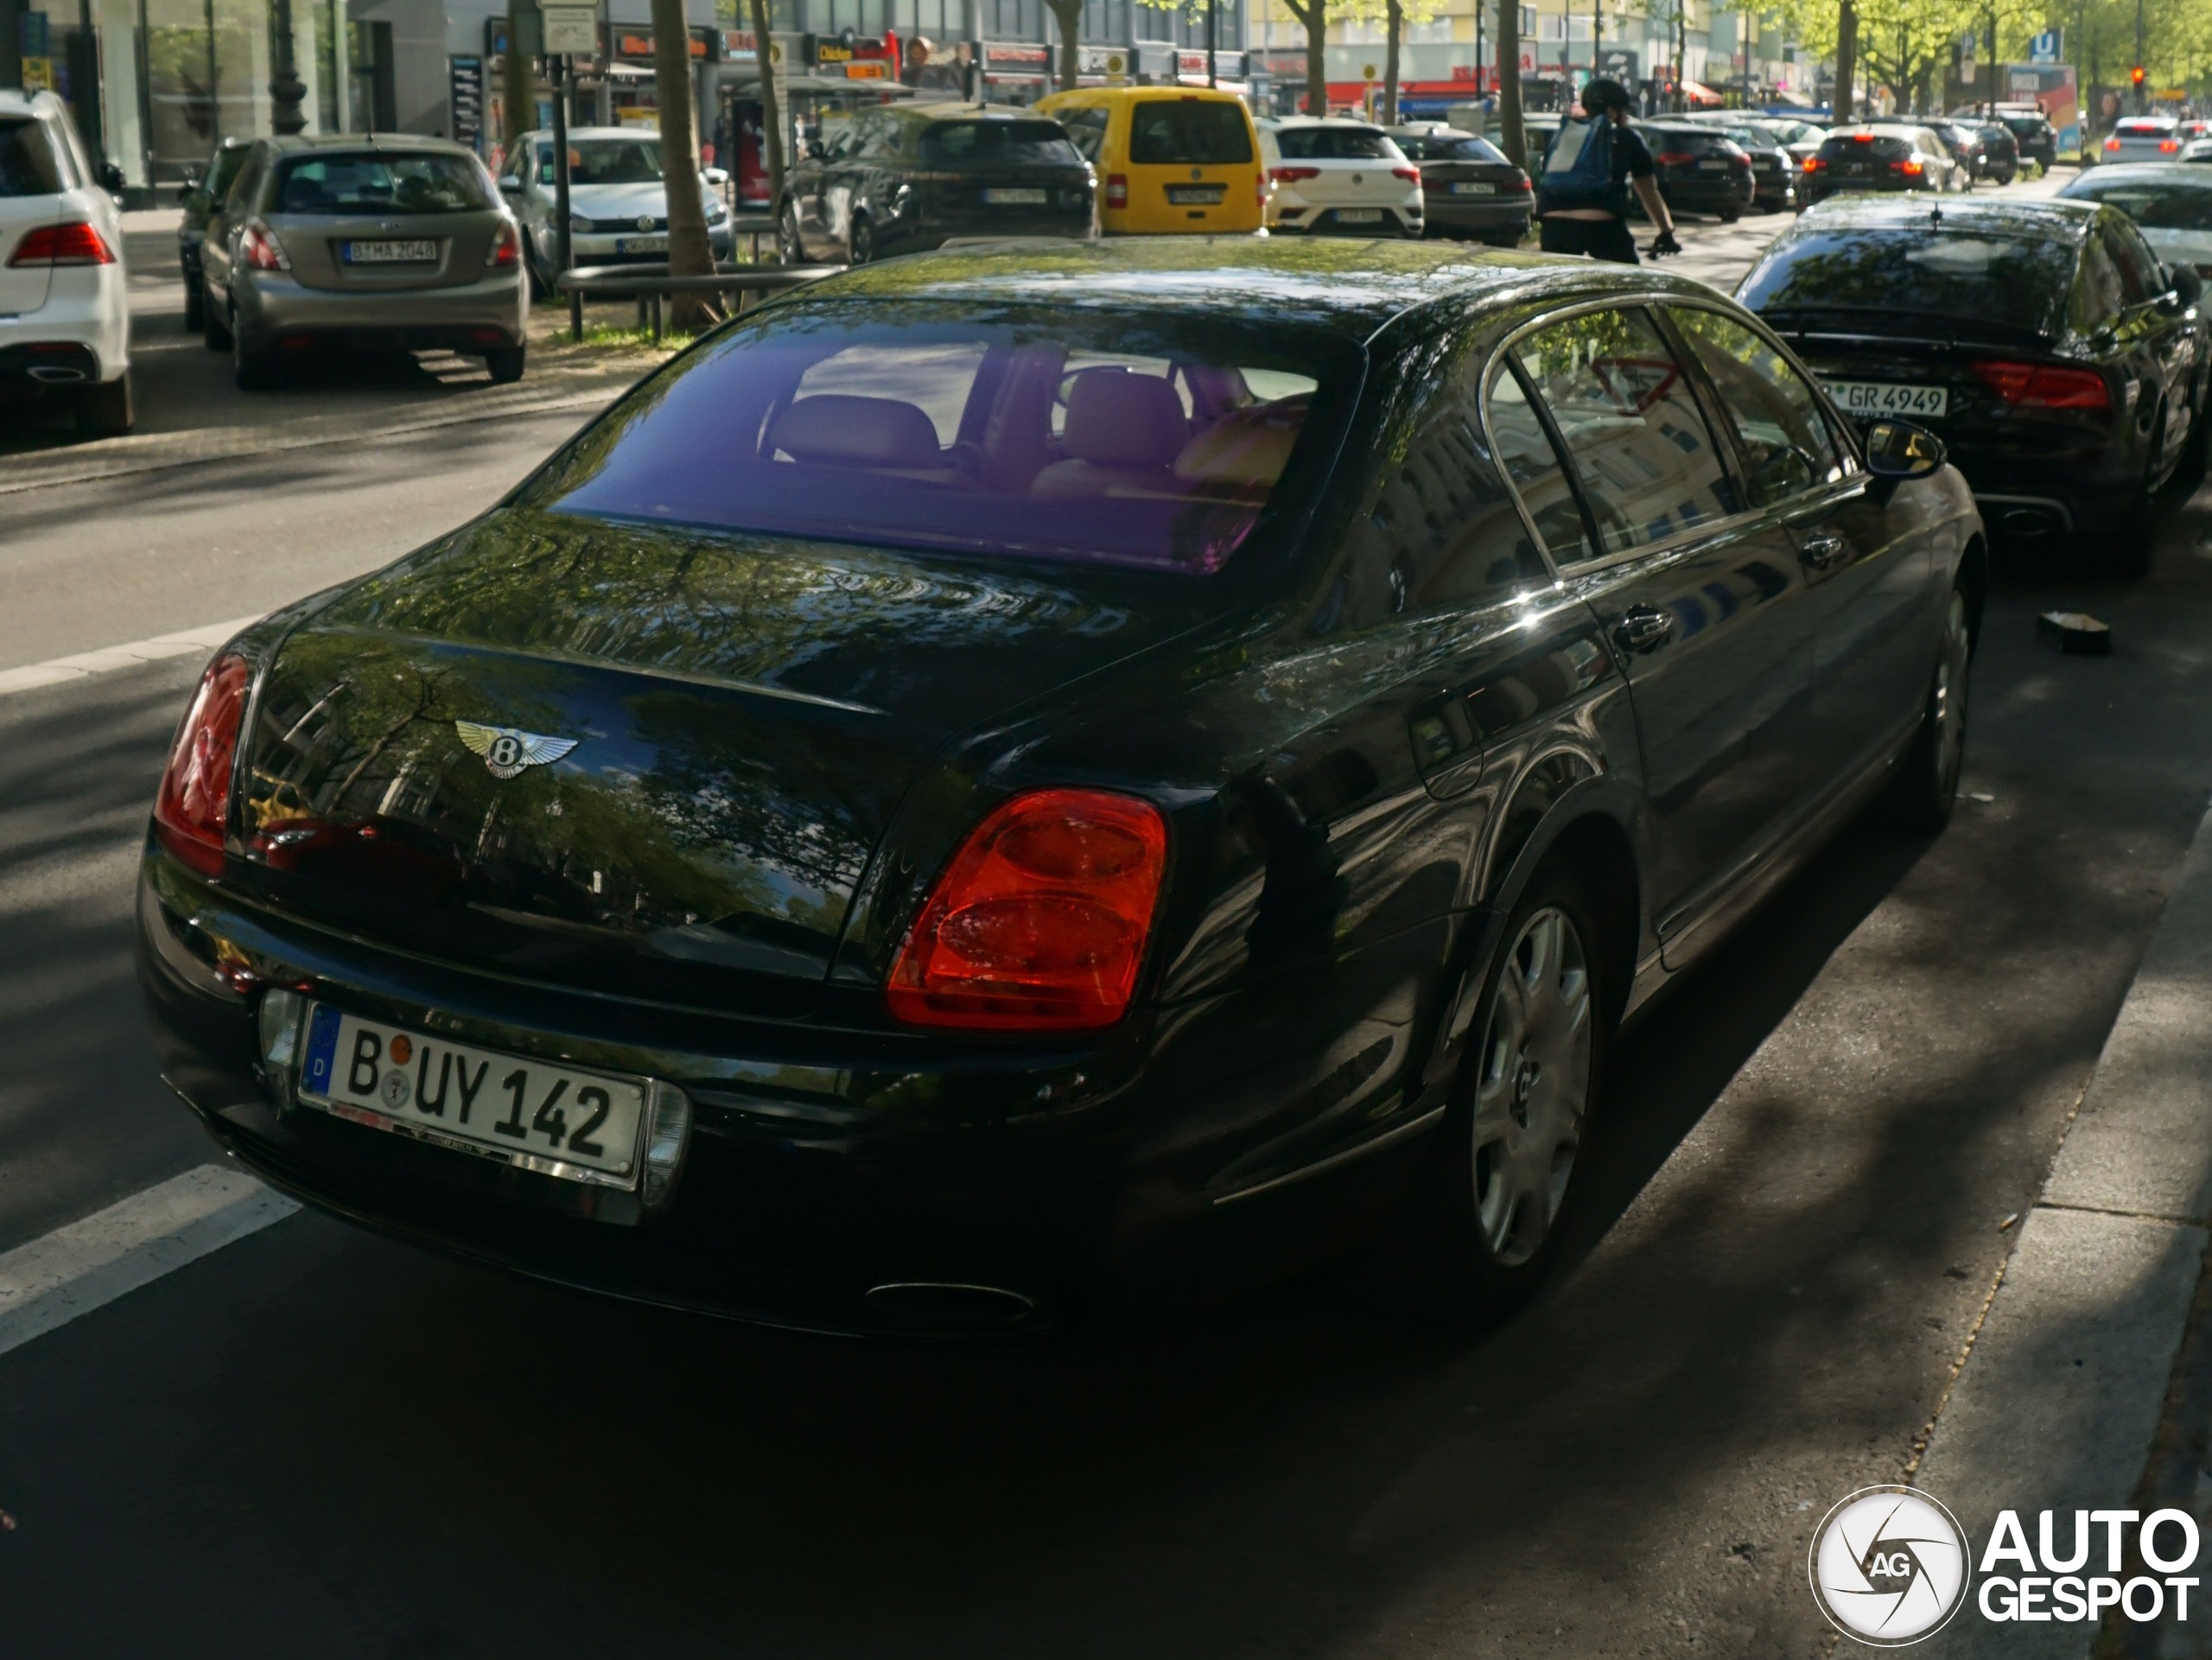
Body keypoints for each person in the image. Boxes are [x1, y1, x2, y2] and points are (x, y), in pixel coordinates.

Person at [1535, 76, 1681, 263]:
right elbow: (1648, 191)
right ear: (1612, 111)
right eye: (1623, 112)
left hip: (1554, 227)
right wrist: (1666, 231)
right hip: (1602, 228)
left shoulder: (1562, 136)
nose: (1626, 117)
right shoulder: (1627, 138)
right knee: (1627, 284)